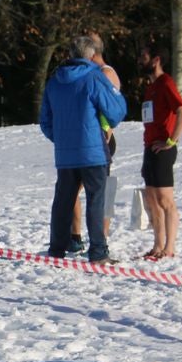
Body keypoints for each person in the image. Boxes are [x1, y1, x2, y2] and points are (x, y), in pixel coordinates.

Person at [39, 33, 127, 264]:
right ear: (90, 55)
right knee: (95, 200)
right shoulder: (93, 78)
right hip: (93, 151)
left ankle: (57, 249)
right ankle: (98, 251)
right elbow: (116, 110)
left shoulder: (55, 80)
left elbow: (45, 120)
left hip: (65, 154)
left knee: (63, 201)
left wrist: (61, 139)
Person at [69, 31, 121, 253]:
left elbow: (111, 108)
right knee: (72, 189)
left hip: (100, 141)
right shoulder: (88, 73)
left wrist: (106, 130)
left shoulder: (105, 73)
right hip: (84, 140)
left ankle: (101, 240)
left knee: (101, 191)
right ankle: (75, 236)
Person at [138, 42, 182, 260]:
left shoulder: (166, 82)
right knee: (151, 198)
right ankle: (158, 247)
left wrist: (171, 141)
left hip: (163, 148)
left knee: (165, 199)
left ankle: (169, 248)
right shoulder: (151, 87)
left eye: (143, 57)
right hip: (150, 147)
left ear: (156, 60)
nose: (139, 61)